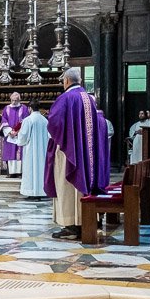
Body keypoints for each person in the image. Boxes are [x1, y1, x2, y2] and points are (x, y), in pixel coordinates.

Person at [45, 68, 105, 239]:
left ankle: (71, 224)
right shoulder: (89, 98)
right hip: (87, 152)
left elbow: (54, 123)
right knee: (85, 179)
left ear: (66, 81)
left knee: (66, 186)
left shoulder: (66, 98)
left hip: (68, 151)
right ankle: (84, 219)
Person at [16, 99, 49, 200]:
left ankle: (32, 192)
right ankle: (41, 191)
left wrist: (19, 140)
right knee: (41, 170)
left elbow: (23, 136)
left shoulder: (28, 120)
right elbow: (49, 136)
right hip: (43, 150)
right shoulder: (45, 120)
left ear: (29, 108)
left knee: (31, 170)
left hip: (31, 150)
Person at [0, 92, 30, 177]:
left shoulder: (24, 108)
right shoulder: (7, 108)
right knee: (10, 152)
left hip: (20, 134)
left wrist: (17, 131)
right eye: (12, 100)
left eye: (16, 100)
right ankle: (11, 173)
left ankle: (20, 172)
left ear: (19, 99)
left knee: (20, 153)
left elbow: (26, 121)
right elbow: (4, 120)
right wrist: (9, 131)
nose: (14, 102)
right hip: (10, 135)